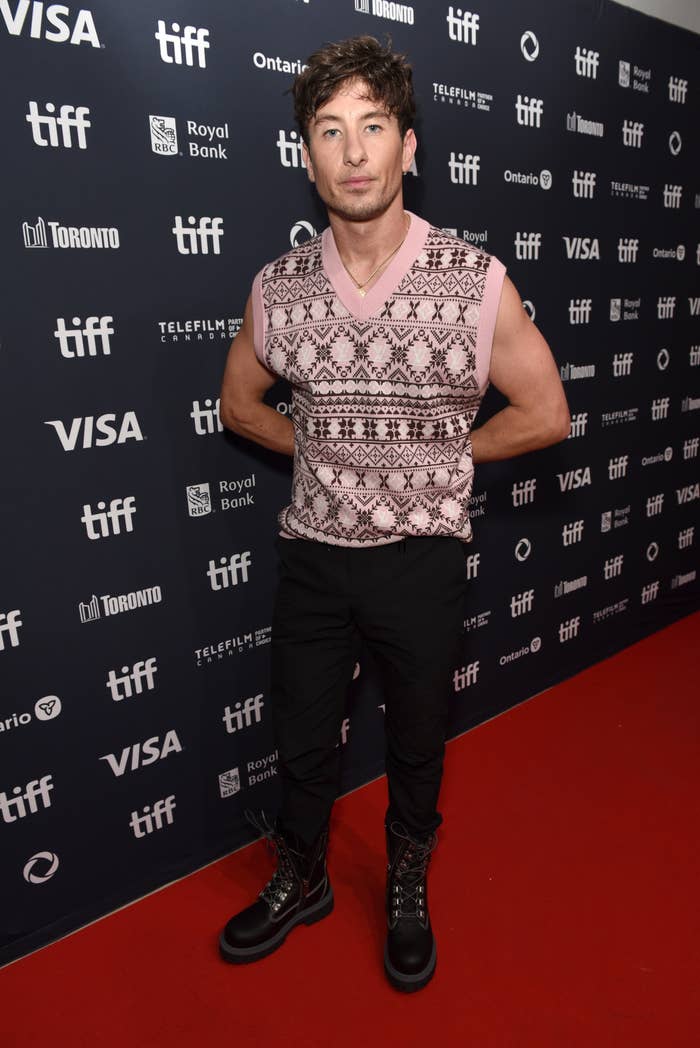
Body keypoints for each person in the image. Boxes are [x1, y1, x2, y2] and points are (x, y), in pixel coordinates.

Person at [217, 35, 570, 992]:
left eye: (373, 126)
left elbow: (546, 412)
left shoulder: (473, 280)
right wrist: (324, 451)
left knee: (417, 739)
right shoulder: (278, 288)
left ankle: (406, 878)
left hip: (421, 558)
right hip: (313, 557)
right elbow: (239, 405)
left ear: (408, 146)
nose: (354, 151)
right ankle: (302, 873)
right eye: (330, 131)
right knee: (301, 739)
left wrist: (438, 454)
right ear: (308, 156)